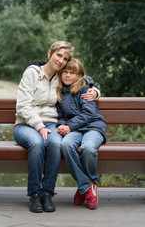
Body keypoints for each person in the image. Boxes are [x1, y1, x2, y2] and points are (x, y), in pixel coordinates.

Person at [13, 41, 100, 213]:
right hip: (26, 124)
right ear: (49, 54)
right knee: (37, 143)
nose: (61, 61)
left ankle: (47, 194)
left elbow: (82, 78)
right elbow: (23, 106)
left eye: (65, 58)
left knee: (56, 144)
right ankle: (35, 194)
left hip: (51, 124)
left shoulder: (61, 77)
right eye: (58, 55)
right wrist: (39, 126)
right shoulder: (32, 73)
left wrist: (95, 91)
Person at [56, 58, 106, 210]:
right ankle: (87, 186)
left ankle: (83, 187)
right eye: (65, 71)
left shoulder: (86, 89)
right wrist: (62, 125)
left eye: (72, 73)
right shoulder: (59, 92)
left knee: (88, 148)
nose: (68, 75)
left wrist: (69, 126)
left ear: (79, 76)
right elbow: (60, 116)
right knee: (65, 144)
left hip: (93, 127)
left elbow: (89, 114)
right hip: (75, 130)